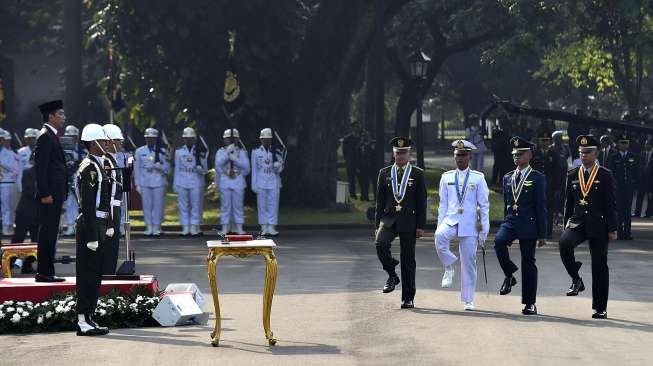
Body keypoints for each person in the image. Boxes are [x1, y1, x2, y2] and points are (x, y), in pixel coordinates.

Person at [558, 135, 617, 319]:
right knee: (564, 244)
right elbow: (568, 202)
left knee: (599, 265)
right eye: (581, 152)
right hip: (578, 222)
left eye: (588, 152)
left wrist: (612, 228)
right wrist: (565, 223)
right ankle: (576, 279)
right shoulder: (573, 173)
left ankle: (599, 307)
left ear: (596, 153)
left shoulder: (604, 175)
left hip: (599, 224)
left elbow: (611, 203)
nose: (584, 155)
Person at [494, 136, 547, 315]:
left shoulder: (537, 178)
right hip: (510, 221)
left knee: (528, 262)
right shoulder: (508, 177)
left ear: (530, 155)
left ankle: (530, 303)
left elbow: (541, 206)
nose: (517, 157)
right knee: (499, 242)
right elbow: (507, 203)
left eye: (521, 154)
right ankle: (509, 275)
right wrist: (504, 222)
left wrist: (542, 233)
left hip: (529, 224)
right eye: (515, 154)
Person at [435, 140, 490, 311]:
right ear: (454, 157)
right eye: (457, 155)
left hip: (470, 224)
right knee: (439, 237)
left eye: (463, 155)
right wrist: (439, 224)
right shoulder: (446, 177)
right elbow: (442, 204)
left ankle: (468, 299)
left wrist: (484, 232)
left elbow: (484, 205)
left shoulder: (478, 178)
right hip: (451, 220)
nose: (460, 158)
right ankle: (449, 267)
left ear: (470, 157)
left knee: (468, 262)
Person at [374, 136, 427, 309]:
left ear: (409, 153)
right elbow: (379, 203)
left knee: (408, 260)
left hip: (409, 220)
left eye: (404, 153)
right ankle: (392, 274)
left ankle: (408, 297)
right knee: (380, 244)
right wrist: (376, 225)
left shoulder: (417, 174)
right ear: (393, 154)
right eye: (397, 153)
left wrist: (420, 225)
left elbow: (421, 202)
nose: (400, 156)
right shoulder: (384, 173)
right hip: (389, 219)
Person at [75, 123, 111, 336]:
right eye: (104, 140)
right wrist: (91, 235)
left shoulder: (97, 165)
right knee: (87, 274)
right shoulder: (88, 167)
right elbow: (87, 204)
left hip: (98, 224)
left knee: (95, 273)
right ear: (94, 142)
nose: (107, 143)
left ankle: (89, 316)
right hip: (90, 225)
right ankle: (82, 320)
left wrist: (105, 226)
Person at [34, 100, 68, 282]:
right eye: (60, 114)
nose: (63, 117)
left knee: (51, 233)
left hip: (55, 195)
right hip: (49, 196)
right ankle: (44, 272)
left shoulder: (51, 135)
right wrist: (45, 193)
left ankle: (47, 271)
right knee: (47, 233)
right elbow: (41, 169)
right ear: (51, 116)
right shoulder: (44, 136)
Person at [134, 128, 170, 236]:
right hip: (145, 182)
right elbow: (137, 169)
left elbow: (168, 169)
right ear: (145, 138)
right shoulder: (139, 151)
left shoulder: (163, 151)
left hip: (158, 181)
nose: (150, 140)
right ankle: (149, 227)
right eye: (148, 138)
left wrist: (161, 167)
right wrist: (137, 184)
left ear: (156, 139)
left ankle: (157, 227)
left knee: (158, 205)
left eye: (152, 138)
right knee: (147, 206)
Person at [173, 127, 207, 236]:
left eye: (191, 138)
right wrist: (175, 183)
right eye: (186, 138)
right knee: (183, 205)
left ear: (194, 139)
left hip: (195, 181)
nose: (188, 140)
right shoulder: (178, 152)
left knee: (195, 205)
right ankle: (185, 227)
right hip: (182, 181)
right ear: (183, 139)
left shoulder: (200, 151)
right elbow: (177, 169)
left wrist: (200, 169)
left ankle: (194, 227)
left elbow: (205, 169)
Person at [215, 128, 250, 235]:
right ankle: (225, 227)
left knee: (238, 206)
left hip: (238, 180)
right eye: (228, 139)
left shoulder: (242, 152)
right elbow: (218, 166)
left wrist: (236, 159)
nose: (230, 140)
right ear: (224, 140)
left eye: (233, 139)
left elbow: (247, 169)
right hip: (225, 180)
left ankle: (238, 227)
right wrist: (227, 154)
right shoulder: (221, 152)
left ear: (237, 139)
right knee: (225, 206)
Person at [101, 124, 125, 274]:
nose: (121, 143)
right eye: (118, 140)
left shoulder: (112, 160)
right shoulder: (106, 162)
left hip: (115, 208)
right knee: (108, 251)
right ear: (109, 142)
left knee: (113, 250)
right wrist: (110, 220)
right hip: (109, 211)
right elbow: (107, 193)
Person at [251, 128, 283, 236]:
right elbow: (254, 170)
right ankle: (264, 227)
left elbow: (281, 167)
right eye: (264, 139)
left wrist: (278, 167)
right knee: (262, 205)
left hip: (273, 181)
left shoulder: (277, 151)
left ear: (271, 140)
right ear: (261, 139)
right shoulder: (255, 152)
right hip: (261, 181)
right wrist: (254, 184)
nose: (266, 141)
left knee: (273, 204)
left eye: (268, 139)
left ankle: (272, 227)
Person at [10, 154, 39, 274]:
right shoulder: (28, 172)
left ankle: (27, 264)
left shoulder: (48, 173)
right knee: (18, 239)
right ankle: (9, 262)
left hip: (38, 214)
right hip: (25, 212)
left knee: (37, 241)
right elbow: (28, 190)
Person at [607, 134, 638, 240]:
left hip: (629, 187)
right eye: (622, 143)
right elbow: (610, 173)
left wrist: (634, 184)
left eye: (626, 143)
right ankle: (619, 233)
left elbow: (637, 172)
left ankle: (627, 233)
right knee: (619, 210)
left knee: (627, 210)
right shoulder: (613, 157)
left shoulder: (633, 156)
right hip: (618, 188)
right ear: (618, 144)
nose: (624, 145)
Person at [62, 125, 85, 236]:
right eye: (69, 136)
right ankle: (70, 226)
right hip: (65, 178)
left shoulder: (82, 150)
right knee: (68, 204)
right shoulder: (60, 149)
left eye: (74, 136)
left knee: (79, 203)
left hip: (78, 178)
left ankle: (79, 225)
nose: (72, 138)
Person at [0, 129, 20, 235]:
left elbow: (14, 169)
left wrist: (2, 163)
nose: (4, 141)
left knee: (7, 207)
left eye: (5, 140)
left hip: (6, 183)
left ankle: (6, 227)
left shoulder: (11, 153)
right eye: (3, 139)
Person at [342, 120, 361, 199]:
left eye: (358, 126)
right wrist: (347, 159)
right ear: (353, 128)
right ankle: (352, 194)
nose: (358, 128)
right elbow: (344, 150)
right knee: (351, 179)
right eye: (356, 126)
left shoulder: (361, 138)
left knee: (362, 179)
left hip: (360, 161)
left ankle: (364, 194)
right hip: (350, 162)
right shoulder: (347, 139)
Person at [634, 137, 653, 217]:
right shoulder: (642, 153)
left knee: (650, 197)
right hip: (642, 179)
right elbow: (638, 165)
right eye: (645, 144)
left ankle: (648, 213)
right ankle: (637, 212)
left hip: (650, 179)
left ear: (651, 145)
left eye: (647, 144)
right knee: (639, 196)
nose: (645, 146)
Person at [357, 129, 376, 201]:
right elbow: (357, 157)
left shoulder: (373, 144)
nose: (365, 137)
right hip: (364, 167)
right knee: (365, 183)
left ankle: (376, 197)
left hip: (373, 167)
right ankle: (365, 197)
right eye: (363, 136)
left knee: (374, 182)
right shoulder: (360, 146)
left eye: (366, 136)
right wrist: (358, 167)